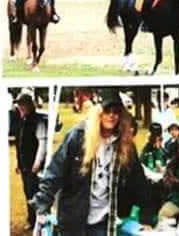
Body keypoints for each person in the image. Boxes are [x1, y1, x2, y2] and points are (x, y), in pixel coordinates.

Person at [31, 88, 152, 234]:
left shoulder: (125, 144)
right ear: (98, 112)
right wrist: (43, 205)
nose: (112, 115)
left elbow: (139, 181)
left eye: (116, 111)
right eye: (107, 110)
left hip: (103, 222)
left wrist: (146, 217)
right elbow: (55, 171)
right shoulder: (78, 137)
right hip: (74, 220)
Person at [14, 92, 47, 229]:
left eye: (22, 104)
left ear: (29, 105)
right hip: (24, 165)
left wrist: (38, 162)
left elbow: (42, 142)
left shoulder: (37, 121)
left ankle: (39, 221)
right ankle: (31, 220)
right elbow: (19, 143)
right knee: (27, 193)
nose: (20, 107)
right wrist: (18, 163)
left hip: (33, 166)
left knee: (35, 194)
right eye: (19, 104)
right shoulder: (22, 121)